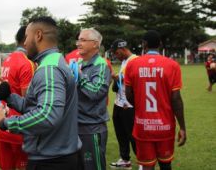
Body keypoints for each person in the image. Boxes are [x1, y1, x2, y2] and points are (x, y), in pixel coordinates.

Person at [0, 16, 82, 170]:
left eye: (26, 36)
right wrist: (8, 96)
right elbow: (35, 106)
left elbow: (47, 115)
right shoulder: (53, 62)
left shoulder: (49, 69)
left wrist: (5, 122)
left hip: (52, 160)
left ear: (38, 35)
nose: (24, 43)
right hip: (59, 155)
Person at [125, 30, 186, 170]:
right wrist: (182, 127)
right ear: (161, 44)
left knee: (147, 166)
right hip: (165, 127)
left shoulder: (132, 64)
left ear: (143, 44)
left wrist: (140, 106)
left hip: (142, 126)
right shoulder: (172, 65)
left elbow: (128, 95)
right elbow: (176, 99)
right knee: (166, 164)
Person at [0, 26, 35, 170]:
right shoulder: (26, 62)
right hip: (19, 130)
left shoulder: (8, 60)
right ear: (27, 39)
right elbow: (29, 103)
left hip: (3, 125)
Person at [75, 28, 111, 170]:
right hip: (76, 126)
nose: (78, 43)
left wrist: (80, 76)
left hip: (92, 128)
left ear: (95, 44)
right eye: (78, 39)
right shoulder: (78, 64)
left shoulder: (101, 65)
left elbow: (96, 92)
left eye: (83, 40)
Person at [109, 39, 138, 169]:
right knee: (121, 133)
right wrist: (117, 78)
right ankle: (125, 159)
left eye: (116, 53)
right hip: (119, 103)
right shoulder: (124, 61)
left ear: (121, 50)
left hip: (129, 105)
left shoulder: (136, 60)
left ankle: (144, 161)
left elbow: (136, 81)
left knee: (133, 135)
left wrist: (118, 78)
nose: (116, 56)